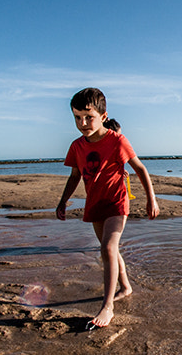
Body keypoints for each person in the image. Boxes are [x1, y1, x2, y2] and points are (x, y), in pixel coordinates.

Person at [56, 88, 159, 330]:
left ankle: (107, 306)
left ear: (103, 116)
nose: (82, 123)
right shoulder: (77, 146)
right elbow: (74, 177)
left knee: (108, 247)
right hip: (94, 203)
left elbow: (140, 168)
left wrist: (150, 199)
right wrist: (62, 201)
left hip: (116, 202)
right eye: (77, 117)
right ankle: (125, 287)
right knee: (109, 250)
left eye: (88, 117)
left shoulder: (117, 141)